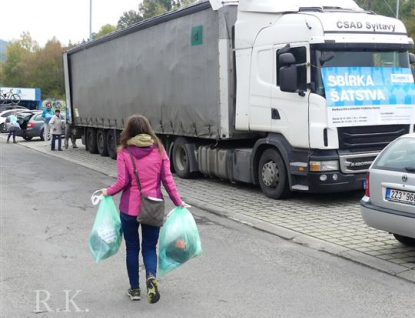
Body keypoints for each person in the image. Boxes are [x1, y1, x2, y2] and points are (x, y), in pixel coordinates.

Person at [100, 114, 186, 304]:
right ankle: (151, 277)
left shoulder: (124, 152)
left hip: (129, 209)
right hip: (153, 207)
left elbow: (123, 182)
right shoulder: (159, 150)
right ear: (148, 129)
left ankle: (135, 289)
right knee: (149, 247)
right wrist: (178, 202)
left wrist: (108, 191)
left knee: (132, 249)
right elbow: (168, 180)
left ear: (128, 131)